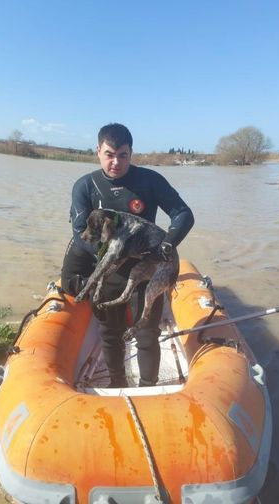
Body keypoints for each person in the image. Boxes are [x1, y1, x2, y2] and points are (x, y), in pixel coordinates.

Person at [61, 123, 194, 388]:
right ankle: (117, 382)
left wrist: (167, 246)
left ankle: (147, 386)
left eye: (123, 155)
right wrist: (109, 255)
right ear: (98, 151)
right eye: (109, 154)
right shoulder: (85, 186)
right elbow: (80, 233)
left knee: (147, 334)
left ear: (131, 153)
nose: (116, 162)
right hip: (108, 271)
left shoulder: (149, 180)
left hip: (147, 268)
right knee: (110, 334)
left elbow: (183, 214)